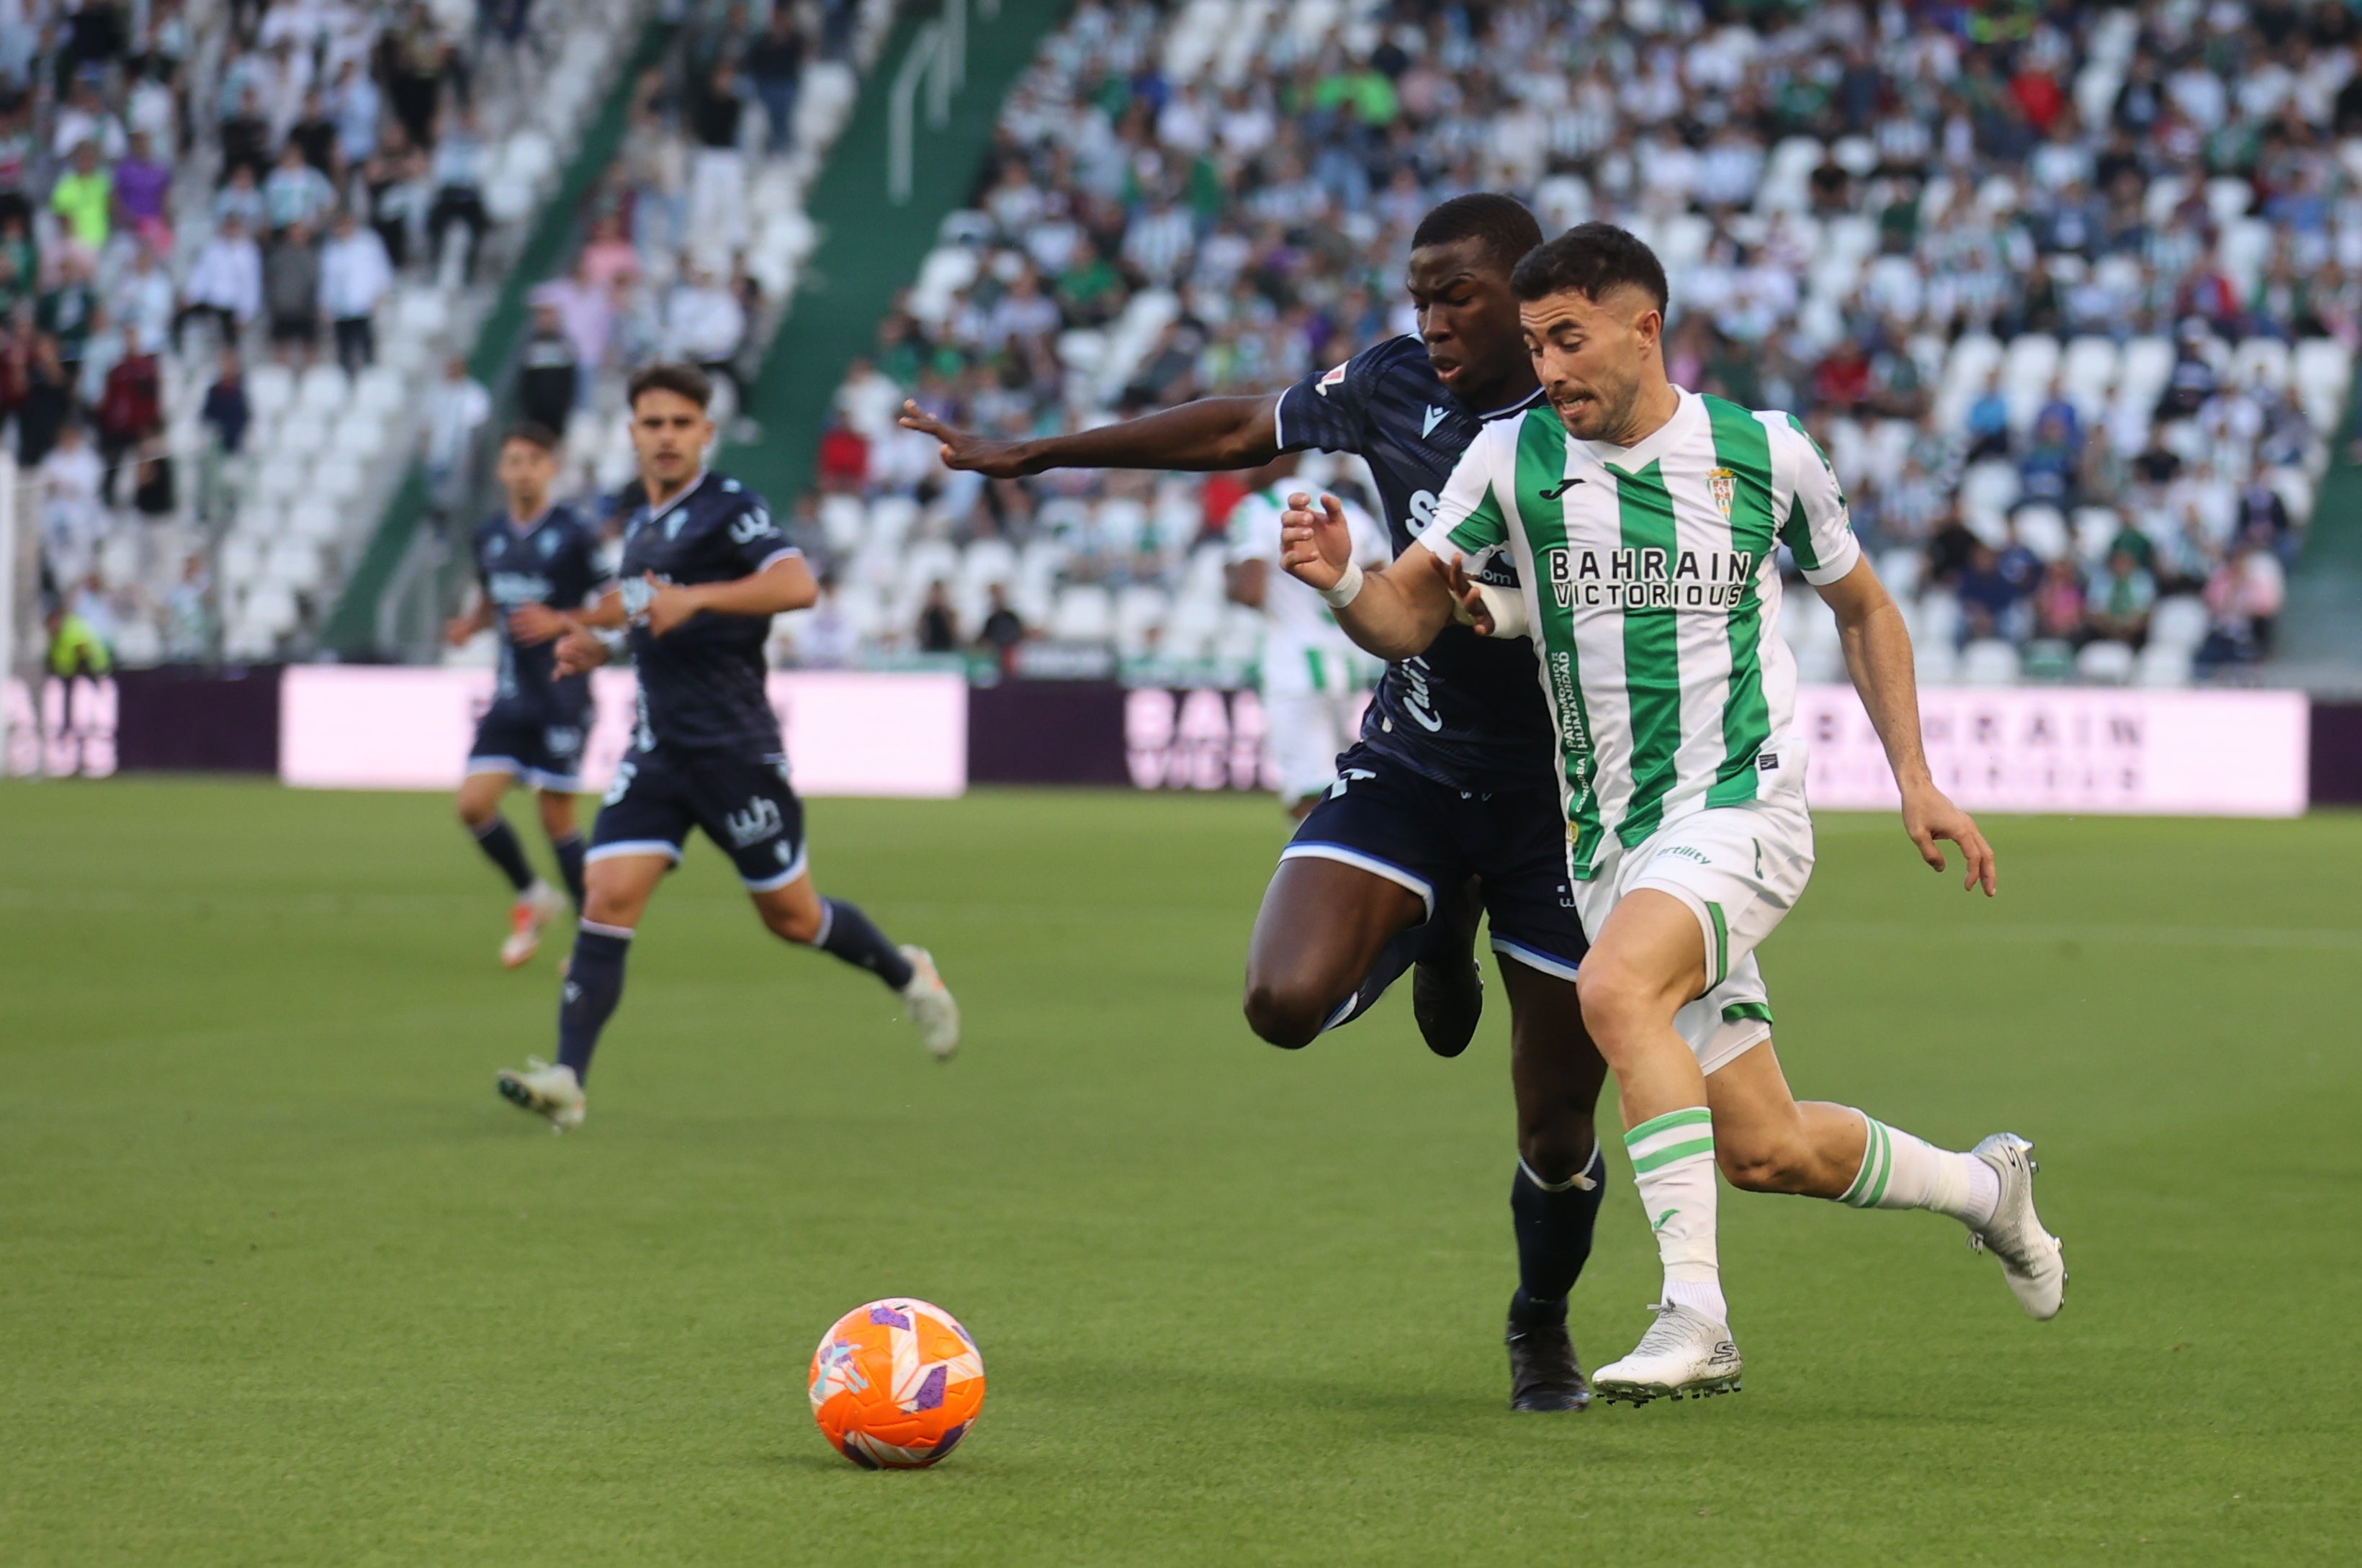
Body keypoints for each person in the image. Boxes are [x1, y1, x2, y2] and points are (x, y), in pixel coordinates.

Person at [1280, 222, 2061, 1405]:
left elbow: (1863, 606)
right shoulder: (1512, 460)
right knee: (1766, 1146)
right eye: (1535, 343)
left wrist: (1915, 773)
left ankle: (1697, 1311)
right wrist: (1345, 579)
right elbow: (1409, 613)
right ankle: (1985, 1187)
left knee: (1609, 992)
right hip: (1610, 848)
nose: (1546, 368)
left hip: (1741, 809)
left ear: (1645, 327)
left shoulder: (1763, 450)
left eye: (1569, 339)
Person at [902, 196, 1616, 1414]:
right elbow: (1246, 423)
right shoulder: (1395, 383)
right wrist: (1043, 452)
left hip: (1565, 802)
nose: (1433, 320)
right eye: (1420, 298)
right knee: (1282, 1000)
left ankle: (1538, 1319)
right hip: (1419, 755)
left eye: (1461, 297)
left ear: (1532, 293)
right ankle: (1440, 928)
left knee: (1553, 1128)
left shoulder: (1594, 421)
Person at [495, 364, 961, 1132]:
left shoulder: (729, 507)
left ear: (706, 433)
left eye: (682, 423)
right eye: (653, 423)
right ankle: (568, 1080)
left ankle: (905, 972)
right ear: (632, 434)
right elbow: (653, 618)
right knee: (606, 899)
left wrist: (696, 597)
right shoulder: (641, 527)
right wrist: (598, 647)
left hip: (735, 754)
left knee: (791, 917)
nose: (667, 436)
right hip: (657, 753)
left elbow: (797, 585)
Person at [441, 423, 607, 968]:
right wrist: (472, 624)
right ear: (501, 471)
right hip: (510, 695)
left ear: (551, 468)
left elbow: (610, 603)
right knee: (472, 805)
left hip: (563, 692)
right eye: (513, 461)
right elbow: (496, 601)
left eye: (533, 460)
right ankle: (534, 896)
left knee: (556, 819)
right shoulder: (489, 535)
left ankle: (592, 939)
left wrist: (571, 627)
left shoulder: (575, 533)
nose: (523, 470)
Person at [1223, 451, 1388, 816]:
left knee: (1309, 797)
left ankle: (1321, 871)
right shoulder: (1346, 512)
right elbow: (1383, 584)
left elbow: (1251, 591)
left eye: (1250, 456)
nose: (1240, 468)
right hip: (1348, 666)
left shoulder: (1258, 509)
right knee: (1348, 787)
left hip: (1294, 669)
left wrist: (1228, 578)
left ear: (1280, 459)